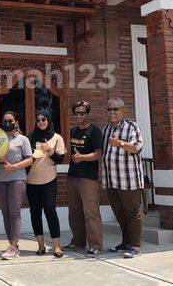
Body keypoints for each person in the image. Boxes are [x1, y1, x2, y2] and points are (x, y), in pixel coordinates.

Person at [102, 97, 144, 258]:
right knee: (119, 212)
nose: (112, 112)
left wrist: (120, 143)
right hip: (112, 179)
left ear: (122, 110)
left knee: (132, 212)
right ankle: (126, 242)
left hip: (129, 179)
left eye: (115, 109)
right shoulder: (106, 129)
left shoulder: (132, 127)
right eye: (109, 109)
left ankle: (136, 246)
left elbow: (136, 148)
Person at [0, 111, 33, 260]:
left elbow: (29, 160)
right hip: (1, 179)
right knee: (5, 212)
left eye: (10, 121)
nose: (7, 123)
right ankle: (12, 245)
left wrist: (14, 167)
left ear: (16, 122)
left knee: (14, 212)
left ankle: (13, 246)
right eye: (5, 121)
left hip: (17, 178)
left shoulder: (23, 140)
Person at [64, 100, 104, 256]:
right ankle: (78, 241)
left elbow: (98, 154)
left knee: (91, 213)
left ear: (87, 114)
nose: (79, 115)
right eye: (76, 113)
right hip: (72, 176)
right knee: (74, 212)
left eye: (82, 113)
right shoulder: (73, 130)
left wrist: (83, 158)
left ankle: (95, 245)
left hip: (88, 178)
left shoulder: (94, 131)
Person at [26, 109, 66, 258]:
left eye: (44, 119)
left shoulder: (57, 138)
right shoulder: (30, 137)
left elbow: (60, 159)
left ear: (49, 120)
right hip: (31, 181)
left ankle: (56, 246)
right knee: (35, 213)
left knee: (50, 211)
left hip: (49, 180)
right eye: (38, 120)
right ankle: (41, 245)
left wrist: (49, 149)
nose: (41, 122)